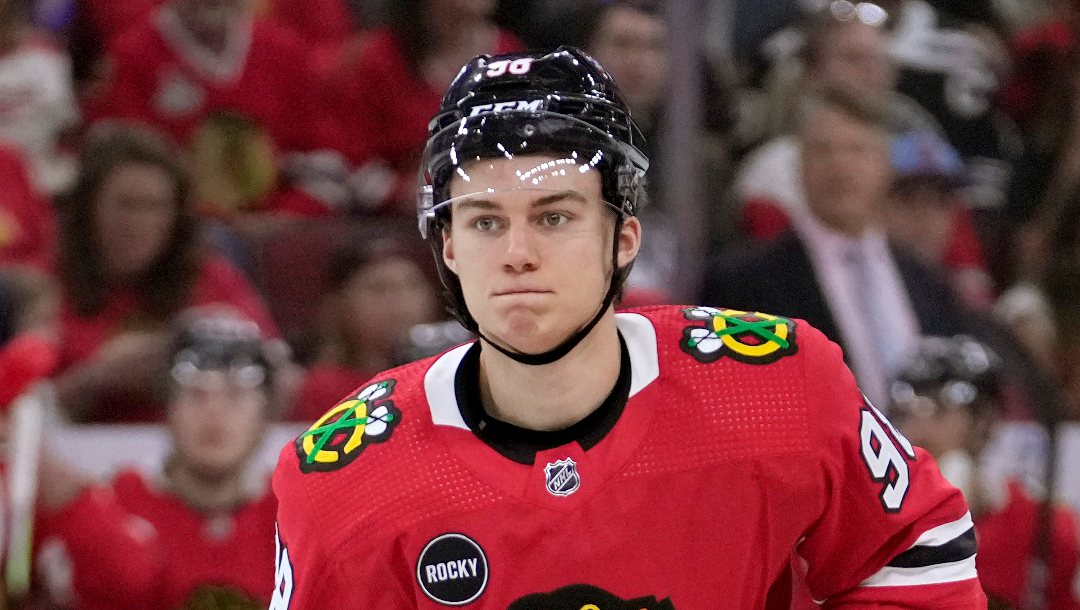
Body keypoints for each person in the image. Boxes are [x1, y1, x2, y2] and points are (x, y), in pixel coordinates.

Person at [272, 47, 985, 608]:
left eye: (554, 216)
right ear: (449, 246)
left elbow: (919, 550)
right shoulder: (347, 474)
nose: (517, 253)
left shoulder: (776, 382)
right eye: (486, 221)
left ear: (625, 237)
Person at [703, 87, 970, 408]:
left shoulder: (928, 281)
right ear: (799, 167)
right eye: (824, 151)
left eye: (857, 151)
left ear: (886, 167)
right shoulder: (743, 281)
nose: (841, 167)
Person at [32, 308, 282, 608]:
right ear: (167, 408)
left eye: (236, 394)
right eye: (196, 394)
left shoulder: (291, 513)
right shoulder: (115, 503)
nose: (214, 411)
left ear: (265, 417)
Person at [52, 122, 279, 422]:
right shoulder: (47, 283)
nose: (138, 224)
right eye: (126, 205)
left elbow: (273, 374)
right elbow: (20, 412)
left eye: (155, 207)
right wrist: (95, 378)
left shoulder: (210, 279)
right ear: (87, 209)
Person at [890, 335, 1080, 609]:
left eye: (939, 411)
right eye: (904, 413)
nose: (918, 429)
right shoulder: (877, 526)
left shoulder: (1048, 526)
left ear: (986, 420)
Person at [289, 239, 439, 422]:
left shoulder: (448, 375)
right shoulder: (324, 388)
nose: (401, 302)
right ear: (340, 303)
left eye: (412, 285)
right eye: (378, 289)